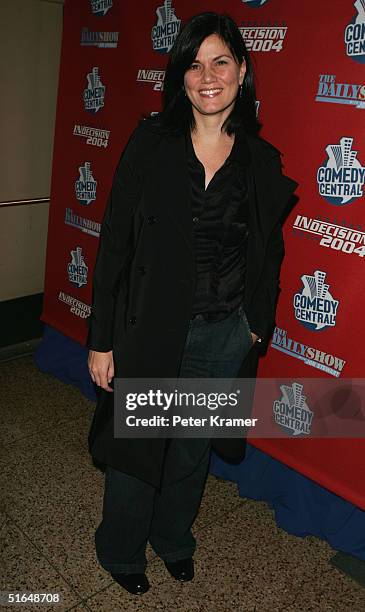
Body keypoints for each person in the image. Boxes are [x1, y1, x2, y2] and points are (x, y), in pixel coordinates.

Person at [87, 11, 298, 596]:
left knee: (189, 452)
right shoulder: (151, 144)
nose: (208, 76)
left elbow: (268, 254)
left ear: (242, 72)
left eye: (221, 62)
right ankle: (121, 547)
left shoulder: (259, 160)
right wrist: (101, 339)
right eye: (194, 63)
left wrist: (256, 325)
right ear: (180, 75)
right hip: (150, 328)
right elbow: (115, 245)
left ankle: (172, 538)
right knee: (138, 448)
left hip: (221, 332)